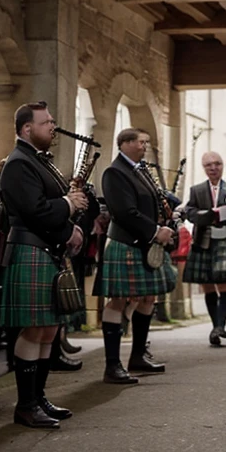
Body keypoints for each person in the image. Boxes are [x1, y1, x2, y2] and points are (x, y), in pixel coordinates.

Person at [0, 102, 87, 427]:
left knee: (49, 329)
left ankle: (40, 398)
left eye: (52, 120)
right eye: (46, 122)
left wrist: (70, 226)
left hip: (48, 249)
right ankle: (25, 405)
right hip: (29, 250)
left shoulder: (37, 161)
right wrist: (67, 204)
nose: (52, 126)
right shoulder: (19, 164)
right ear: (26, 129)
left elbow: (53, 214)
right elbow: (37, 212)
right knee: (34, 329)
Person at [94, 128, 175, 384]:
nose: (145, 146)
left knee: (148, 298)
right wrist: (155, 231)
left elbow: (147, 203)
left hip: (145, 244)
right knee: (118, 301)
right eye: (141, 142)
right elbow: (125, 211)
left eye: (146, 142)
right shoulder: (114, 172)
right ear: (125, 143)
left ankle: (138, 355)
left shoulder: (140, 170)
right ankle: (112, 365)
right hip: (125, 243)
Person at [182, 151, 226, 347]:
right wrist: (205, 215)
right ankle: (215, 327)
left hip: (224, 239)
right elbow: (189, 212)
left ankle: (221, 326)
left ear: (222, 166)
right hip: (204, 241)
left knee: (223, 284)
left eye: (217, 164)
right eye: (209, 165)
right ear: (204, 168)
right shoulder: (196, 190)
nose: (213, 168)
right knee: (208, 285)